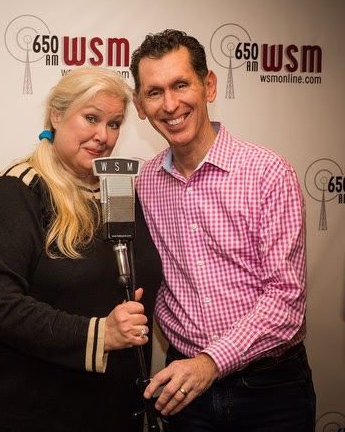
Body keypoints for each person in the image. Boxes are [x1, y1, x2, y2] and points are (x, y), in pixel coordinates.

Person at [130, 29, 316, 431]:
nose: (170, 104)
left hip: (271, 390)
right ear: (140, 105)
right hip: (184, 390)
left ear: (209, 85)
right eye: (155, 92)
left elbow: (286, 301)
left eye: (181, 85)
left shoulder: (268, 173)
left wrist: (210, 362)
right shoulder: (145, 183)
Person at [0, 67, 162, 432]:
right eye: (91, 118)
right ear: (56, 115)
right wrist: (100, 334)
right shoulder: (17, 190)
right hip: (30, 412)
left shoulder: (118, 190)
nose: (103, 136)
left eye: (114, 124)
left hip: (112, 410)